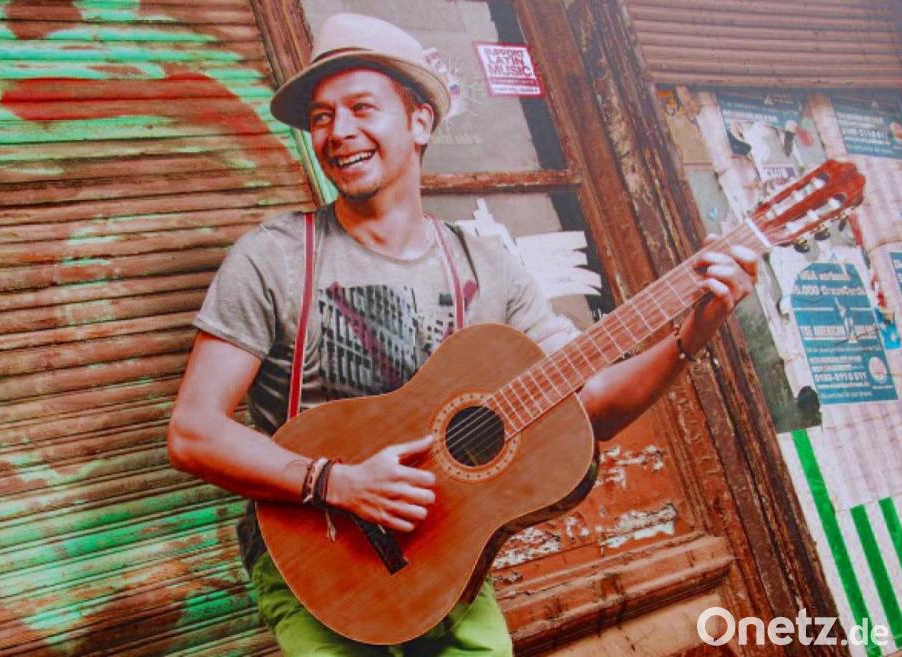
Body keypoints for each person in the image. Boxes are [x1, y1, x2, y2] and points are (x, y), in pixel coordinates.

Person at [166, 12, 759, 657]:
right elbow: (194, 432)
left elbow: (592, 405)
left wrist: (691, 335)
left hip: (444, 562)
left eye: (362, 108)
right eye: (321, 117)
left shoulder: (485, 266)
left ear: (420, 121)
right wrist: (337, 481)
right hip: (320, 564)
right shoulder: (275, 257)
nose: (339, 132)